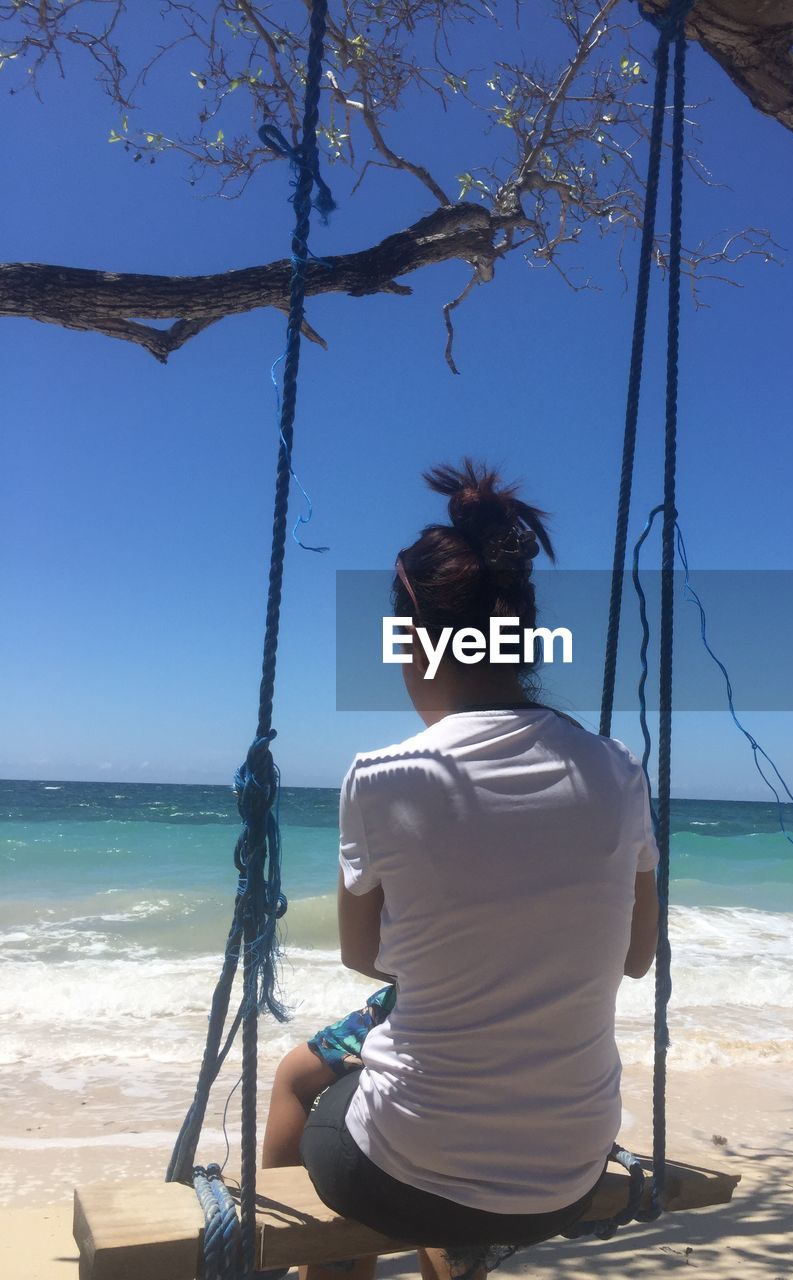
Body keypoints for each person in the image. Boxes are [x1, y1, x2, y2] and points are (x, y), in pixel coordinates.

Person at [262, 460, 660, 1280]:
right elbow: (634, 955)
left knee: (301, 1086)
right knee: (429, 1133)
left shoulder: (384, 776)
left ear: (412, 640)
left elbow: (362, 956)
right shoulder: (618, 771)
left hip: (412, 1161)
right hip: (568, 1171)